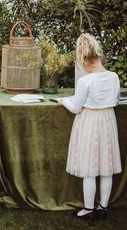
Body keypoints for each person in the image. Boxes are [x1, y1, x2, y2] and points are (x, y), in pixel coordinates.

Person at [58, 33, 122, 221]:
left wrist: (63, 101)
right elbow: (115, 101)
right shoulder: (114, 77)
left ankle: (88, 210)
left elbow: (77, 107)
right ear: (99, 55)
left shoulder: (85, 81)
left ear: (84, 60)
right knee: (106, 167)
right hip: (108, 122)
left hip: (90, 124)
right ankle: (103, 207)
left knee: (90, 167)